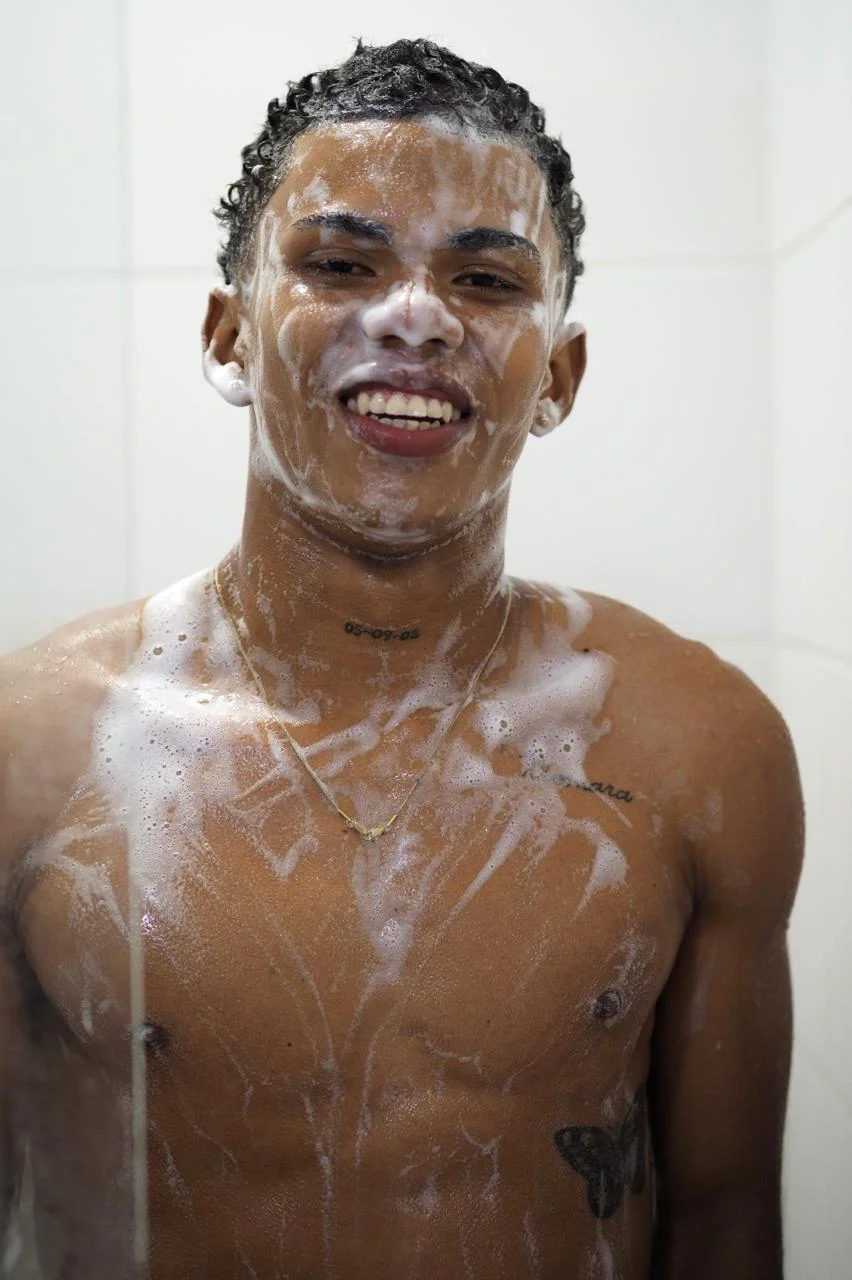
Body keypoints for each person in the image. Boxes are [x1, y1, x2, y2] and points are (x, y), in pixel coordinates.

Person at [0, 36, 804, 1280]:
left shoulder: (699, 748)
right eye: (340, 263)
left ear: (560, 375)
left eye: (485, 280)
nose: (415, 316)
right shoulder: (34, 751)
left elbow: (726, 1223)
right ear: (228, 335)